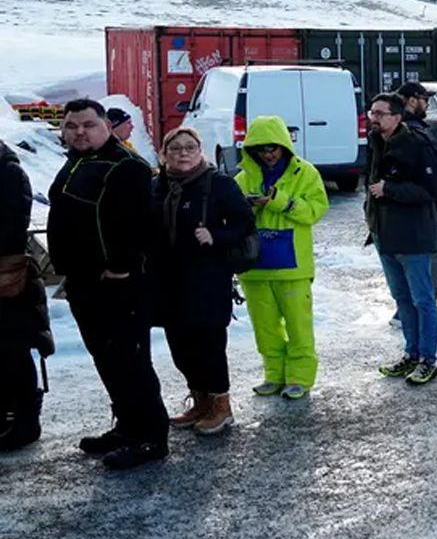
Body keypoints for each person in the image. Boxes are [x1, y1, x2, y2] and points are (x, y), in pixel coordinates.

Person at [50, 99, 170, 469]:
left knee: (130, 359)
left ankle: (151, 436)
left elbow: (138, 223)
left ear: (106, 125)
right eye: (72, 126)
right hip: (85, 280)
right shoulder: (78, 161)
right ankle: (128, 426)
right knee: (107, 358)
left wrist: (121, 267)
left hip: (118, 284)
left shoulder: (126, 166)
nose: (79, 132)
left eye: (88, 125)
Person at [151, 127, 254, 437]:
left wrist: (216, 236)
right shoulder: (156, 185)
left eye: (190, 147)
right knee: (180, 346)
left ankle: (221, 405)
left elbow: (245, 223)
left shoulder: (218, 184)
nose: (183, 153)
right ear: (164, 154)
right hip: (168, 279)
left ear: (200, 152)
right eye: (175, 148)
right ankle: (200, 400)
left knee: (208, 344)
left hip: (207, 277)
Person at [236, 116, 329, 401]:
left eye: (273, 147)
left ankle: (299, 378)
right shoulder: (242, 179)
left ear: (284, 146)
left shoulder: (306, 173)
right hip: (255, 269)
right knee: (265, 328)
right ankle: (274, 375)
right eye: (261, 148)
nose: (268, 154)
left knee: (299, 326)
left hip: (293, 267)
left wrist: (281, 202)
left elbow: (315, 210)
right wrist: (249, 207)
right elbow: (230, 218)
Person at [366, 93, 437, 386]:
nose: (373, 118)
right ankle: (411, 354)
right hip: (385, 235)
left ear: (397, 117)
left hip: (413, 237)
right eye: (372, 112)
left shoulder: (415, 145)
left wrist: (389, 190)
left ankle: (428, 360)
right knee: (402, 300)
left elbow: (430, 191)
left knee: (423, 300)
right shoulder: (376, 142)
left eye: (380, 114)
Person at [0, 138, 52, 453]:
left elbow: (11, 228)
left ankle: (24, 421)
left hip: (7, 279)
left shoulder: (8, 171)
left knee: (11, 349)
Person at [392, 82, 437, 324]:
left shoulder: (407, 128)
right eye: (424, 99)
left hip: (424, 207)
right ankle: (420, 309)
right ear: (411, 100)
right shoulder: (408, 131)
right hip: (421, 208)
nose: (427, 104)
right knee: (431, 255)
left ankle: (412, 309)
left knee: (423, 257)